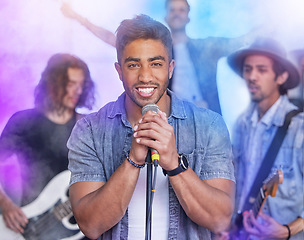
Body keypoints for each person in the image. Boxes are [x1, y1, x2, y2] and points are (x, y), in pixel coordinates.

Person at [67, 14, 235, 240]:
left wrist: (174, 164)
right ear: (119, 71)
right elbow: (91, 225)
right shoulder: (89, 129)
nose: (145, 76)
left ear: (171, 68)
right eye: (133, 64)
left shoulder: (210, 125)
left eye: (156, 64)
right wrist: (133, 159)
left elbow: (220, 220)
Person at [61, 0, 257, 114]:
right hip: (169, 120)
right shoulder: (154, 50)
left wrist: (271, 25)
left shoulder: (206, 47)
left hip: (205, 118)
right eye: (173, 10)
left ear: (188, 16)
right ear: (166, 16)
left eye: (182, 10)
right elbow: (114, 39)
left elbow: (241, 40)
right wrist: (80, 19)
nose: (177, 13)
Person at [0, 53, 95, 238]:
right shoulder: (23, 121)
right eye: (70, 84)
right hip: (30, 225)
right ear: (52, 84)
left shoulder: (88, 125)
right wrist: (5, 205)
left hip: (78, 228)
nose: (77, 91)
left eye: (81, 84)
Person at [227, 38, 304, 239]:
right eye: (248, 69)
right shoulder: (242, 124)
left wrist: (288, 230)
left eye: (262, 70)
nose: (252, 76)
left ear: (281, 77)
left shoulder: (300, 128)